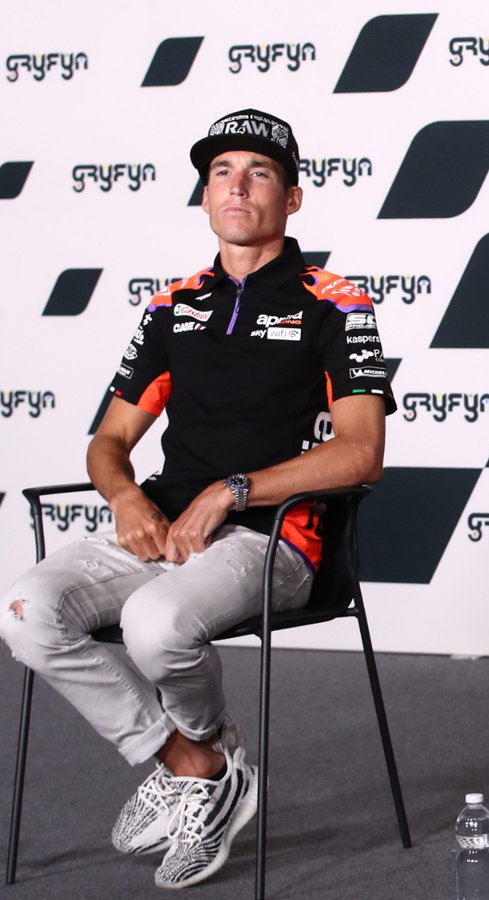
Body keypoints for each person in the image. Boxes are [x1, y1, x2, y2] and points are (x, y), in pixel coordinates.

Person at [0, 109, 394, 889]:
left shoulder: (334, 302)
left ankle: (199, 770)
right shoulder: (172, 305)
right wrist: (125, 499)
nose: (237, 186)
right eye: (221, 173)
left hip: (276, 538)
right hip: (163, 527)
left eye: (258, 172)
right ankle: (198, 764)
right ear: (206, 197)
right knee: (26, 612)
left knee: (154, 625)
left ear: (292, 197)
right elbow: (109, 442)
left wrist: (232, 491)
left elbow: (362, 454)